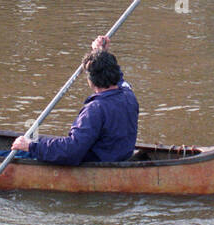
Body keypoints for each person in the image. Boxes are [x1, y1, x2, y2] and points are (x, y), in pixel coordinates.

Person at [10, 35, 138, 165]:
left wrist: (32, 146)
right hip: (115, 157)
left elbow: (72, 151)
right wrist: (99, 53)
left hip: (95, 164)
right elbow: (118, 77)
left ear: (91, 81)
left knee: (10, 154)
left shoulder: (95, 110)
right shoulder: (128, 94)